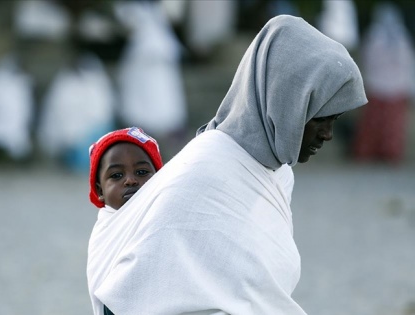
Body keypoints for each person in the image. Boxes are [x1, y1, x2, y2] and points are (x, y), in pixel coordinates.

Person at [86, 15, 367, 315]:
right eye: (320, 117)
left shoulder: (276, 172)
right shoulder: (209, 169)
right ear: (287, 102)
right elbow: (128, 291)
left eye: (334, 121)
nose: (328, 135)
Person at [86, 126, 163, 314]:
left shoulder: (166, 219)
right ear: (100, 190)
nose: (130, 180)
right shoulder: (105, 232)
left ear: (162, 179)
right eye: (117, 175)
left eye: (142, 172)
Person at [352, 2, 415, 164]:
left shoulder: (377, 38)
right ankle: (381, 153)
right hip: (387, 87)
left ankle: (384, 154)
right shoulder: (396, 39)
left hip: (383, 86)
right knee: (383, 124)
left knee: (384, 124)